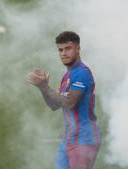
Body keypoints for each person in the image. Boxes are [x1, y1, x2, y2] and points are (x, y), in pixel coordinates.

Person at [27, 31, 101, 169]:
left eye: (68, 49)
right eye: (60, 50)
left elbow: (70, 102)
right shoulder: (68, 75)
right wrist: (42, 88)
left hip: (83, 139)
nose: (63, 53)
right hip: (69, 138)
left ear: (78, 48)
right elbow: (54, 105)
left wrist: (46, 86)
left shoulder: (82, 73)